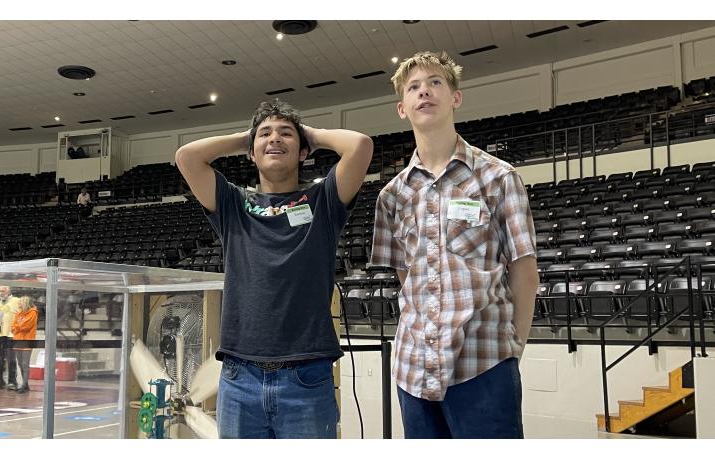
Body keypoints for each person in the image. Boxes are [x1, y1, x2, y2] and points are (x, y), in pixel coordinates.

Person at [175, 99, 373, 438]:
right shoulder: (233, 204)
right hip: (240, 378)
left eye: (286, 134)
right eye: (265, 135)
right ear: (252, 153)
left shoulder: (323, 202)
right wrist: (247, 137)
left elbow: (360, 146)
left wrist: (311, 133)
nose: (275, 139)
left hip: (306, 377)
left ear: (303, 151)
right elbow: (187, 157)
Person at [369, 51, 539, 439]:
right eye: (413, 87)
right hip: (412, 369)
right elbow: (405, 274)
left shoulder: (498, 178)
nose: (424, 92)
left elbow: (525, 272)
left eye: (435, 83)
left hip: (484, 365)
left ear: (455, 98)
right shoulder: (392, 196)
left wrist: (514, 347)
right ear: (402, 108)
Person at [0, 286, 19, 390]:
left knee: (11, 359)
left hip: (12, 335)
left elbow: (23, 315)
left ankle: (12, 382)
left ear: (9, 291)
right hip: (0, 335)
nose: (1, 293)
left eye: (3, 291)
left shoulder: (17, 301)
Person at [11, 295, 39, 394]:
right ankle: (25, 384)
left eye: (19, 303)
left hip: (27, 341)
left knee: (25, 364)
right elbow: (13, 327)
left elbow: (26, 327)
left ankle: (24, 384)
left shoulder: (33, 313)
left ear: (24, 303)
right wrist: (18, 327)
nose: (18, 304)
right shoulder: (18, 314)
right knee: (20, 364)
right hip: (17, 340)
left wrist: (17, 327)